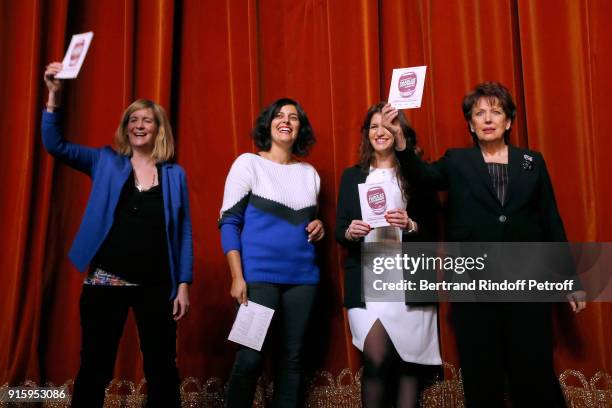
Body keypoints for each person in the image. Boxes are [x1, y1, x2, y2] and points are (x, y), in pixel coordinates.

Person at [396, 81, 586, 407]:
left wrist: (569, 279)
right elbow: (425, 178)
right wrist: (401, 144)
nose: (487, 119)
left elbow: (551, 223)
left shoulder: (531, 162)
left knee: (534, 371)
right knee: (482, 375)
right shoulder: (457, 161)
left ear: (508, 121)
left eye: (495, 112)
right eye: (478, 113)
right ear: (470, 124)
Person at [42, 62, 193, 408]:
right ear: (126, 128)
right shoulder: (105, 161)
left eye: (147, 120)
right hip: (105, 282)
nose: (139, 125)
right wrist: (54, 96)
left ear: (159, 129)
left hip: (157, 286)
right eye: (133, 120)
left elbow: (183, 230)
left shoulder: (174, 175)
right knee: (95, 366)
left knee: (162, 370)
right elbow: (56, 145)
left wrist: (183, 283)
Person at [218, 98, 324, 407]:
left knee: (291, 362)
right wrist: (237, 276)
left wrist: (319, 225)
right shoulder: (247, 164)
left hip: (302, 280)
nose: (286, 120)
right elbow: (229, 222)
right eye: (279, 115)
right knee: (250, 359)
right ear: (269, 124)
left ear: (300, 128)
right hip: (258, 279)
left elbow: (306, 222)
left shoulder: (310, 173)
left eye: (294, 117)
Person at [335, 102, 442, 408]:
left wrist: (410, 224)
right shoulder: (352, 176)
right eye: (373, 126)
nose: (380, 132)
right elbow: (339, 228)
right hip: (367, 281)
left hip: (408, 281)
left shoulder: (417, 175)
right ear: (366, 134)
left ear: (400, 131)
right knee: (377, 360)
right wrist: (350, 231)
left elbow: (432, 229)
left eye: (387, 126)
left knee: (409, 368)